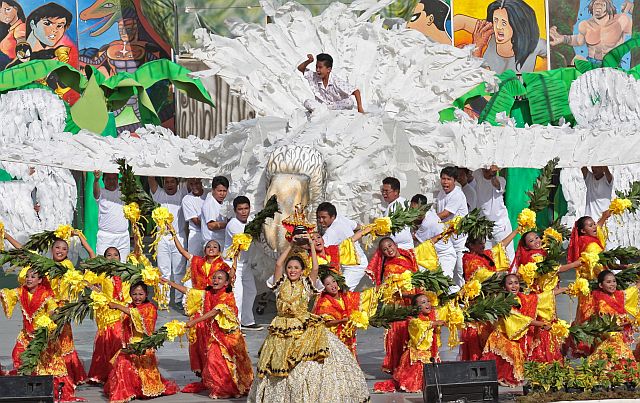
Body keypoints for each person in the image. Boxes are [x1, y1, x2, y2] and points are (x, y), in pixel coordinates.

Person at [248, 233, 369, 402]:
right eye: (290, 268)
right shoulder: (279, 283)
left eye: (296, 268)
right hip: (281, 330)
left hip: (305, 327)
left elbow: (315, 269)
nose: (292, 271)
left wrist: (312, 244)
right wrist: (291, 245)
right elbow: (278, 264)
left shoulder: (306, 284)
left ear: (301, 270)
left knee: (310, 365)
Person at [164, 271, 253, 399]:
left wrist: (194, 321)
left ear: (226, 283)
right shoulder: (208, 294)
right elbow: (189, 292)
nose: (215, 280)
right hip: (215, 336)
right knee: (213, 359)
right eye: (214, 278)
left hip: (229, 337)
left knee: (232, 363)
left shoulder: (228, 296)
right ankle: (222, 388)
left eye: (220, 278)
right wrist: (170, 283)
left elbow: (214, 311)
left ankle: (230, 387)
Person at [0, 267, 81, 401]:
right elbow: (6, 294)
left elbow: (53, 309)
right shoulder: (20, 291)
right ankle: (25, 386)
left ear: (40, 281)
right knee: (17, 354)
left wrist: (52, 315)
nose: (29, 279)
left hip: (43, 337)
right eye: (27, 276)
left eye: (32, 277)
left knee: (47, 367)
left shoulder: (45, 295)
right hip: (26, 335)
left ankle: (45, 389)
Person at [170, 231, 232, 376]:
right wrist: (174, 234)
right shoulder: (197, 261)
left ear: (220, 251)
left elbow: (230, 281)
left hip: (214, 301)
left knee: (212, 335)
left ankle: (214, 367)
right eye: (208, 246)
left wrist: (236, 255)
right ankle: (200, 366)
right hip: (197, 301)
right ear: (204, 250)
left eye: (215, 247)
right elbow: (182, 251)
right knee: (197, 334)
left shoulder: (223, 266)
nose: (211, 248)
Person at [104, 282, 178, 402]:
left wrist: (118, 306)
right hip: (130, 344)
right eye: (134, 294)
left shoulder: (150, 308)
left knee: (124, 363)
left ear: (146, 294)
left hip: (143, 346)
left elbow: (138, 316)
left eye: (140, 294)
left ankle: (132, 390)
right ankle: (126, 391)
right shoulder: (130, 306)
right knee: (122, 363)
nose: (137, 297)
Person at [481, 274, 557, 387]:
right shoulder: (502, 301)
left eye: (516, 283)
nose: (514, 286)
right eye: (510, 283)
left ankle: (502, 376)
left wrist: (563, 290)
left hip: (512, 336)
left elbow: (539, 298)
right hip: (500, 337)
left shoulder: (521, 297)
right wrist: (541, 324)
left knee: (521, 351)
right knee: (514, 352)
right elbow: (519, 319)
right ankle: (500, 377)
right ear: (504, 287)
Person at [367, 237, 420, 377]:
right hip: (400, 305)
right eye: (385, 250)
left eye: (390, 246)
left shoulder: (408, 255)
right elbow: (393, 290)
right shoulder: (389, 267)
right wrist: (409, 296)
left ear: (395, 244)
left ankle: (414, 368)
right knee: (401, 335)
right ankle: (400, 369)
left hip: (414, 299)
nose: (389, 250)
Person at [453, 0, 547, 73]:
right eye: (495, 20)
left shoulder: (534, 43)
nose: (498, 27)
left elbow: (553, 52)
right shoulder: (487, 33)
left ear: (518, 24)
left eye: (504, 22)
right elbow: (460, 20)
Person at [87, 247, 129, 385]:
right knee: (107, 341)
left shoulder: (126, 272)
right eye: (109, 255)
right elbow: (86, 280)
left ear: (120, 257)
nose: (112, 257)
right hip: (108, 312)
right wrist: (96, 290)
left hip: (123, 311)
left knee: (120, 341)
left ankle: (120, 372)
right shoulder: (102, 274)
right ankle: (105, 373)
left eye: (115, 255)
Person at [312, 270, 378, 357]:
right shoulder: (324, 303)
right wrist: (342, 320)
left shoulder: (346, 296)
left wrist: (381, 288)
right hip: (334, 341)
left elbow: (363, 296)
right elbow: (327, 322)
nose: (332, 286)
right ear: (324, 288)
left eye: (333, 281)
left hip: (348, 338)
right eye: (328, 284)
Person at [549, 0, 632, 65]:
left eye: (602, 4)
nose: (598, 6)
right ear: (592, 6)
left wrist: (633, 8)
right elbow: (578, 41)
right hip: (592, 63)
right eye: (596, 4)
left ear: (608, 7)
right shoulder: (585, 25)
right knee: (576, 59)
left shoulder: (622, 20)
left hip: (613, 64)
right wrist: (563, 38)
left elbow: (636, 33)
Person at [392, 293, 445, 393]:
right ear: (417, 307)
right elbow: (421, 326)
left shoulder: (428, 318)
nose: (427, 304)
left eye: (428, 301)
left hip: (428, 353)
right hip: (416, 355)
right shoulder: (413, 320)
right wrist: (434, 323)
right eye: (423, 302)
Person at [149, 176, 188, 309]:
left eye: (172, 182)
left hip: (178, 236)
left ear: (177, 183)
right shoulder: (159, 194)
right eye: (167, 182)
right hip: (162, 237)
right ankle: (163, 300)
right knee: (163, 270)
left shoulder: (182, 193)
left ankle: (178, 300)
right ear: (163, 183)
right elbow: (151, 179)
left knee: (179, 271)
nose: (169, 184)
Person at [223, 195, 262, 330]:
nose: (244, 211)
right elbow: (245, 242)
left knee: (251, 291)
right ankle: (235, 325)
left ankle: (247, 321)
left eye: (246, 208)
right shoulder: (233, 225)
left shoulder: (250, 222)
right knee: (237, 295)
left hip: (245, 264)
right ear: (235, 210)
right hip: (232, 265)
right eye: (240, 209)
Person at [584, 270, 639, 363]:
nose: (613, 284)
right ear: (601, 285)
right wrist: (630, 321)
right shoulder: (601, 302)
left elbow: (632, 291)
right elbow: (610, 325)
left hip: (617, 334)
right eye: (608, 282)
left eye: (614, 281)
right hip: (608, 336)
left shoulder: (618, 295)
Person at [316, 201, 369, 290]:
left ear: (332, 216)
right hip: (353, 263)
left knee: (342, 292)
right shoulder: (341, 219)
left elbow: (319, 247)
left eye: (324, 217)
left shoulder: (331, 232)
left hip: (356, 266)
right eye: (319, 217)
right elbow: (358, 226)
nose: (321, 221)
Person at [411, 194, 457, 283]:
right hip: (431, 254)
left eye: (418, 210)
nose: (415, 213)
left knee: (445, 283)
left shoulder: (428, 223)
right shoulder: (428, 214)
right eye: (412, 210)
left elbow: (415, 238)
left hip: (444, 255)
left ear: (425, 209)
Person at [297, 53, 364, 113]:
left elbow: (356, 91)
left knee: (349, 102)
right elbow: (300, 68)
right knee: (307, 102)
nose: (317, 70)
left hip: (336, 105)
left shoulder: (336, 81)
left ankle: (325, 109)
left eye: (320, 67)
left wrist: (360, 109)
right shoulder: (314, 76)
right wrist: (309, 61)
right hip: (321, 106)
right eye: (316, 67)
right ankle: (322, 109)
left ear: (328, 69)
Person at [473, 166, 515, 261]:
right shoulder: (477, 174)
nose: (487, 171)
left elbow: (496, 184)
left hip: (500, 225)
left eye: (490, 170)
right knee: (487, 258)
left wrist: (492, 174)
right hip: (484, 227)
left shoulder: (500, 180)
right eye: (485, 169)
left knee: (507, 256)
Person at [436, 166, 468, 287]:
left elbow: (445, 214)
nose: (445, 182)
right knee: (445, 267)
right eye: (443, 178)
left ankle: (462, 293)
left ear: (455, 180)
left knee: (458, 268)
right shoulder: (441, 193)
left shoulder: (457, 194)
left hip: (458, 238)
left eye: (448, 179)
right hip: (446, 237)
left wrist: (429, 220)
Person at [93, 171, 130, 262]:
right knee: (103, 267)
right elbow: (95, 193)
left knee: (123, 266)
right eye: (108, 179)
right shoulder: (101, 192)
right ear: (103, 180)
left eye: (114, 179)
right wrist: (96, 180)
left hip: (123, 237)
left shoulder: (123, 192)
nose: (111, 181)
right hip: (105, 237)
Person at [381, 176, 414, 250]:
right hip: (398, 247)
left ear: (396, 191)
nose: (384, 193)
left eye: (386, 191)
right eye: (383, 191)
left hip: (401, 247)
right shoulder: (398, 203)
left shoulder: (398, 205)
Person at [181, 178, 206, 263]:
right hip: (196, 234)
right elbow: (196, 221)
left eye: (197, 183)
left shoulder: (209, 194)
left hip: (212, 233)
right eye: (191, 184)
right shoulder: (186, 199)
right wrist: (213, 225)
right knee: (194, 263)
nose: (194, 187)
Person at [201, 176, 229, 246]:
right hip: (213, 243)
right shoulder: (209, 203)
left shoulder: (223, 202)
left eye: (224, 191)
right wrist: (229, 224)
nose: (222, 194)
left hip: (221, 242)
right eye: (219, 191)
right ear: (213, 190)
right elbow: (211, 225)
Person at [0, 0, 26, 65]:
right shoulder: (11, 29)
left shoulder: (20, 28)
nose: (4, 15)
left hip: (9, 65)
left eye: (8, 9)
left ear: (16, 9)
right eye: (0, 12)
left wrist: (11, 65)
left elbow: (23, 52)